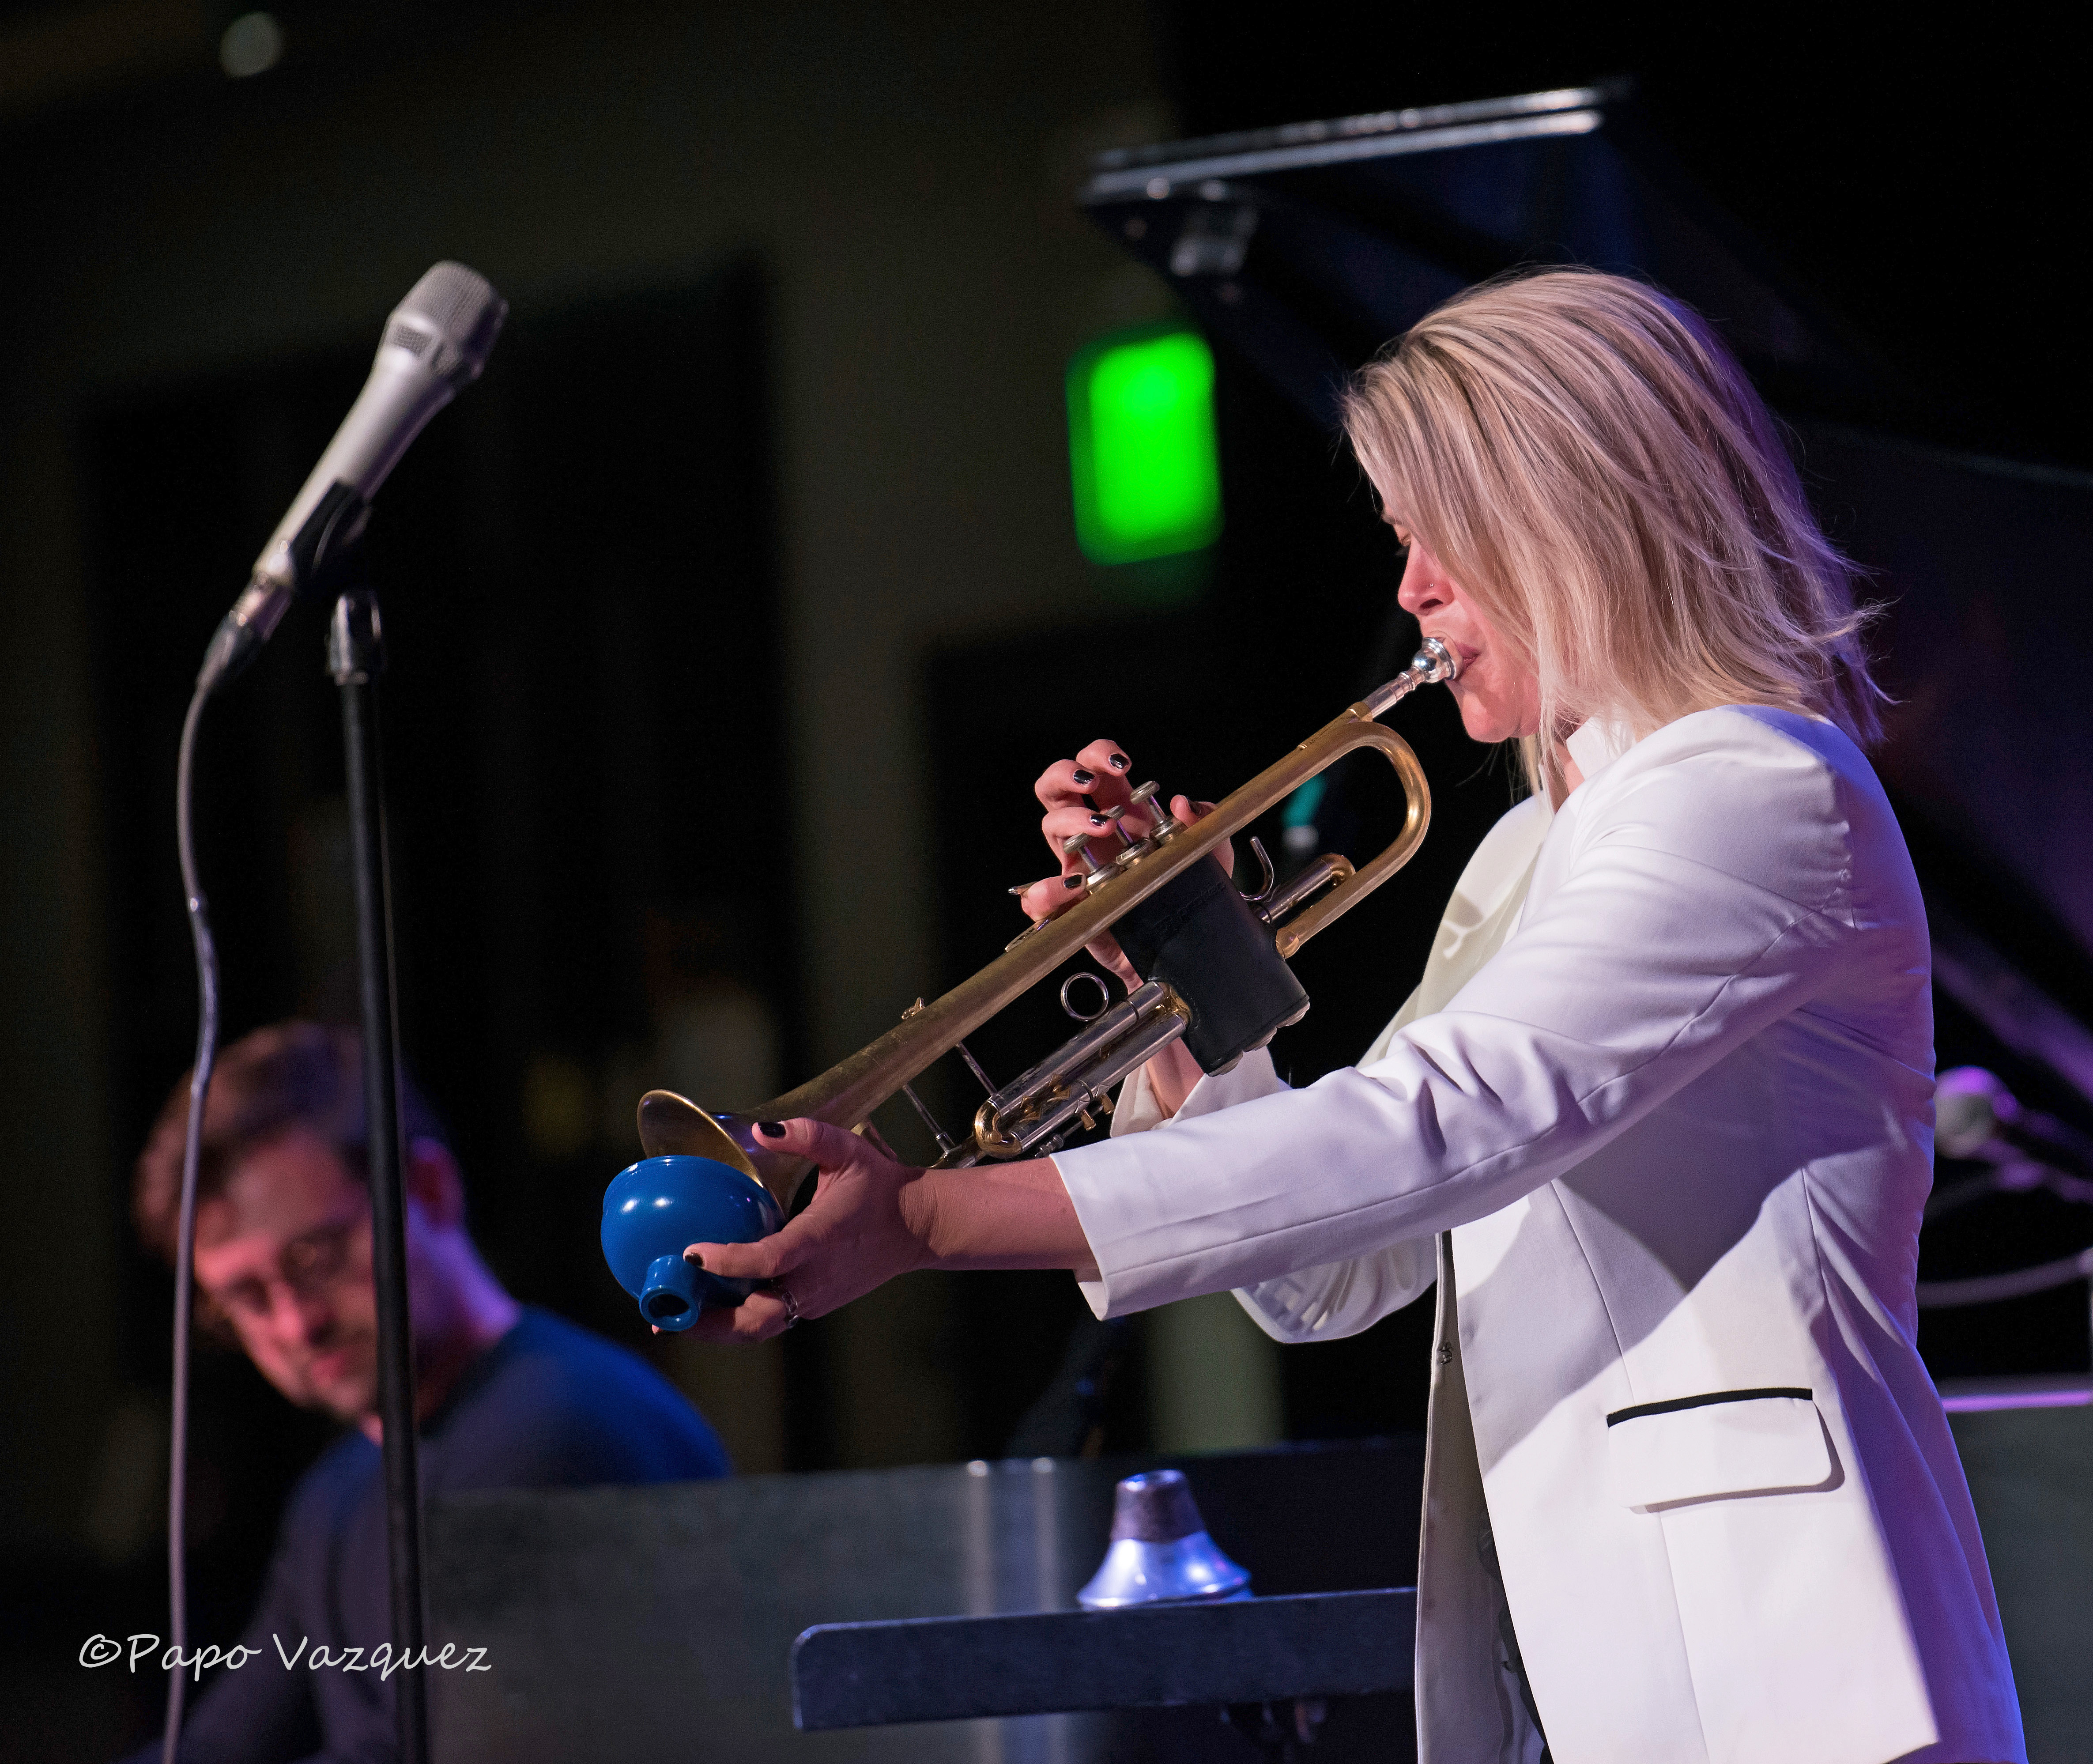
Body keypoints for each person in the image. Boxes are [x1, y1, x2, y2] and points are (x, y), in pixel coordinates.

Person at [679, 270, 2025, 1764]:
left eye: (1437, 534)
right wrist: (1184, 975)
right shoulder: (1532, 852)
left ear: (1573, 515)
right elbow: (1334, 1275)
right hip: (1582, 1682)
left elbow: (1433, 1127)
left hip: (1786, 1676)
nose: (1410, 591)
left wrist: (932, 1217)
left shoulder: (1753, 790)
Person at [128, 1020, 731, 1763]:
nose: (295, 1321)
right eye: (246, 1296)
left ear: (430, 1190)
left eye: (314, 1256)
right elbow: (222, 1743)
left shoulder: (557, 1430)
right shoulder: (339, 1489)